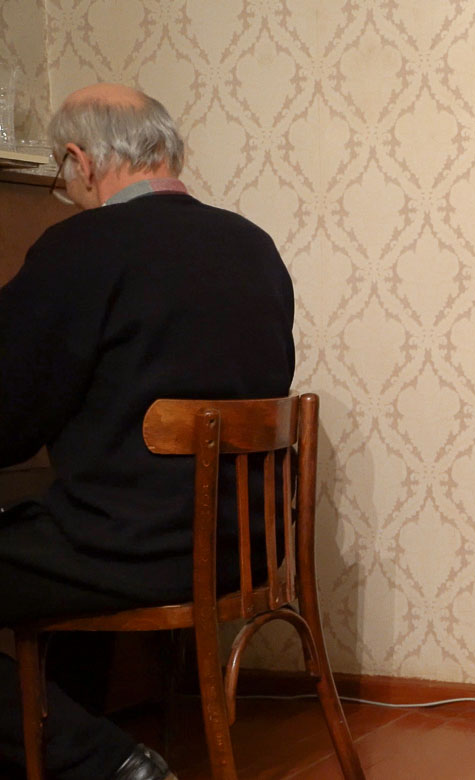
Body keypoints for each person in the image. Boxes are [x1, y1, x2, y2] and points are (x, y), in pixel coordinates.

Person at [0, 84, 295, 780]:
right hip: (243, 547)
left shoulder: (80, 248)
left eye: (62, 176)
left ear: (81, 160)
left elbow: (8, 423)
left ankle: (104, 762)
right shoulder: (253, 244)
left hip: (130, 550)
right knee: (66, 519)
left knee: (55, 529)